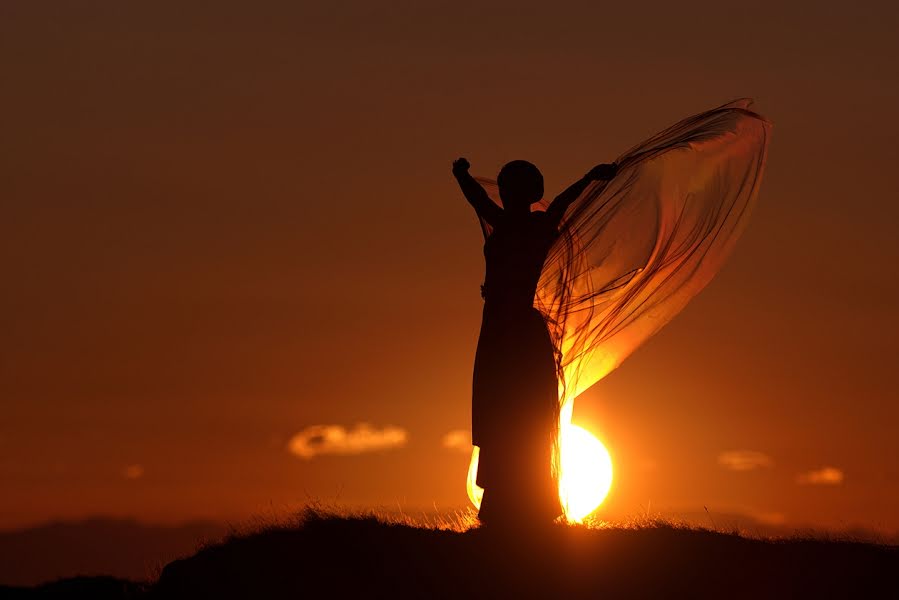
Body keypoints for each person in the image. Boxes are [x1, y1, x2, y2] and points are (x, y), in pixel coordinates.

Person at [452, 157, 618, 526]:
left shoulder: (528, 225)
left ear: (526, 193)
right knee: (501, 414)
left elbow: (561, 202)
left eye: (511, 185)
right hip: (499, 329)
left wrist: (590, 176)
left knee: (519, 416)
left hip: (513, 333)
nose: (506, 191)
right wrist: (460, 175)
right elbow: (478, 199)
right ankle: (506, 507)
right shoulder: (514, 222)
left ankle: (522, 506)